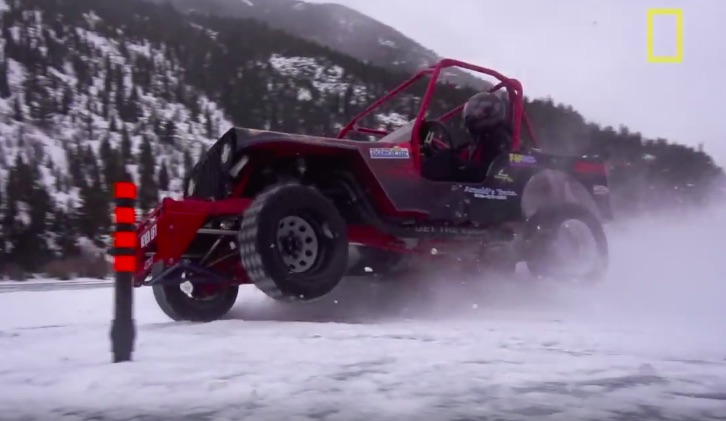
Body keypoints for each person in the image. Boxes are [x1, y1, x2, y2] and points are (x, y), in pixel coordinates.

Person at [455, 91, 513, 182]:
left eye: (478, 112)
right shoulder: (480, 138)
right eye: (471, 110)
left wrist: (459, 165)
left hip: (486, 189)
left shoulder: (499, 137)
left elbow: (490, 171)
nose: (472, 115)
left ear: (491, 113)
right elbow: (461, 154)